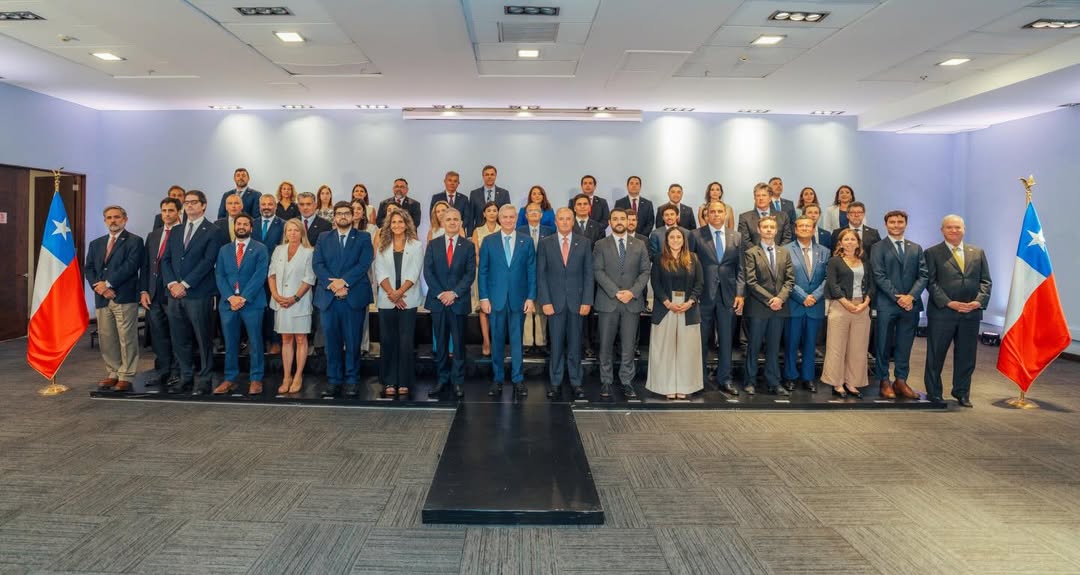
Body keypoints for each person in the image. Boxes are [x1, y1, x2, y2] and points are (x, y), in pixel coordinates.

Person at [161, 190, 228, 395]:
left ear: (204, 205)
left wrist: (186, 284)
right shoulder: (176, 230)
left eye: (193, 202)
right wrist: (172, 283)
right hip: (174, 295)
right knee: (179, 338)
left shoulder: (213, 230)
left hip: (199, 293)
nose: (189, 206)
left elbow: (208, 262)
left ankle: (205, 378)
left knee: (203, 338)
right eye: (187, 203)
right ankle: (185, 376)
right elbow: (166, 260)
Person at [923, 215, 992, 407]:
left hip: (970, 313)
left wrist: (979, 301)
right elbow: (931, 282)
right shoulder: (932, 253)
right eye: (950, 227)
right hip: (942, 313)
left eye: (958, 227)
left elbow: (986, 281)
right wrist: (948, 302)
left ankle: (962, 392)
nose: (954, 231)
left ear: (964, 229)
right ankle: (934, 392)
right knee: (936, 354)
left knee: (967, 355)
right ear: (942, 230)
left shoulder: (977, 252)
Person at [312, 201, 374, 398]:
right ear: (334, 217)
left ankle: (352, 380)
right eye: (339, 213)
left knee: (353, 342)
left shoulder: (363, 237)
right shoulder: (323, 237)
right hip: (329, 298)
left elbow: (364, 263)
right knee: (332, 343)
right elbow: (318, 263)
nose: (343, 216)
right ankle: (333, 380)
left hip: (353, 296)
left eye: (347, 213)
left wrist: (344, 282)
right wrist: (333, 285)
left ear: (353, 216)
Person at [479, 204, 537, 397]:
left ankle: (518, 379)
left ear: (516, 219)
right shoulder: (488, 241)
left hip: (519, 300)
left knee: (517, 341)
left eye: (512, 217)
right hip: (495, 300)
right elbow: (483, 271)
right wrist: (484, 297)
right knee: (496, 341)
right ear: (499, 219)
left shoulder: (526, 241)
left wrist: (531, 297)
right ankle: (497, 379)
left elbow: (531, 271)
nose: (508, 220)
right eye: (505, 217)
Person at [593, 208, 651, 399]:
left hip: (631, 303)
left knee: (628, 346)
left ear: (628, 222)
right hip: (608, 301)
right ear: (609, 222)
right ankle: (606, 381)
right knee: (606, 345)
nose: (619, 221)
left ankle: (627, 382)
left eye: (622, 219)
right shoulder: (601, 244)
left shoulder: (640, 244)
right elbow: (598, 271)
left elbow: (645, 272)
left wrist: (632, 292)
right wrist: (616, 292)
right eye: (615, 218)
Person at [537, 207, 594, 400]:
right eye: (561, 219)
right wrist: (545, 301)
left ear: (573, 222)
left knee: (576, 344)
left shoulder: (584, 243)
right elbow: (541, 275)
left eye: (568, 219)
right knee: (556, 345)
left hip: (578, 303)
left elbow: (589, 274)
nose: (564, 222)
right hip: (554, 303)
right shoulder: (545, 243)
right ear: (555, 222)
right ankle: (555, 382)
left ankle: (576, 382)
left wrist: (587, 300)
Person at [871, 210, 928, 400]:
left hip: (910, 306)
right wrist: (898, 298)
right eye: (892, 222)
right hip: (887, 303)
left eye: (900, 222)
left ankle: (901, 380)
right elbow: (879, 275)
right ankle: (884, 380)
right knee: (883, 344)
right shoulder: (878, 247)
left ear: (906, 224)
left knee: (905, 345)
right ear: (886, 224)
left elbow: (923, 275)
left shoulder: (916, 248)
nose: (896, 225)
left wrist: (910, 297)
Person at [86, 205, 144, 392]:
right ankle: (113, 372)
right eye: (109, 217)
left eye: (117, 217)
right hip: (102, 298)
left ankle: (126, 374)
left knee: (126, 338)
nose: (113, 220)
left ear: (125, 219)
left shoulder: (134, 241)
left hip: (124, 296)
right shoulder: (96, 243)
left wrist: (109, 284)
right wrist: (100, 288)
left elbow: (130, 266)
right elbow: (89, 269)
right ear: (105, 220)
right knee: (107, 337)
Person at [688, 200, 744, 395]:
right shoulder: (695, 235)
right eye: (712, 212)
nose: (717, 215)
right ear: (706, 215)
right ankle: (698, 380)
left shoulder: (736, 237)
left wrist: (740, 294)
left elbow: (741, 269)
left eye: (720, 211)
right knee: (700, 340)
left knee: (727, 340)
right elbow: (690, 267)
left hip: (728, 296)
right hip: (703, 295)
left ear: (726, 214)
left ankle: (725, 379)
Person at [213, 213, 270, 396]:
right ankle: (230, 379)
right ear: (234, 227)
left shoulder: (260, 248)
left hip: (252, 303)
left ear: (251, 228)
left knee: (255, 342)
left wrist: (243, 297)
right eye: (239, 223)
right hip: (228, 304)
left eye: (246, 223)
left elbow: (260, 275)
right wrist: (230, 297)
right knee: (230, 343)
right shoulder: (224, 250)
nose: (242, 226)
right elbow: (219, 276)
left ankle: (256, 379)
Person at [646, 227, 704, 399]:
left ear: (684, 240)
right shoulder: (658, 259)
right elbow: (655, 283)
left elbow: (700, 283)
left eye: (679, 237)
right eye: (672, 237)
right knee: (665, 350)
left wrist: (690, 301)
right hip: (666, 308)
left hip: (688, 308)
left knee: (687, 351)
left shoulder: (693, 258)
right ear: (667, 240)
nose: (676, 240)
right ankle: (666, 387)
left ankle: (685, 387)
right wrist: (668, 303)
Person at [424, 208, 476, 398]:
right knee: (441, 344)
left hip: (458, 301)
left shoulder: (468, 246)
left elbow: (470, 274)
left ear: (461, 222)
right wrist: (441, 294)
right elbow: (428, 272)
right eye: (449, 219)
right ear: (443, 222)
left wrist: (453, 293)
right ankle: (442, 378)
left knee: (459, 343)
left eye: (456, 219)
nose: (452, 222)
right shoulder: (433, 244)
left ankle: (457, 381)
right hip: (438, 302)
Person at [742, 216, 794, 395]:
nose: (769, 230)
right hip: (759, 307)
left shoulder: (784, 252)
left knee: (773, 348)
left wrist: (779, 299)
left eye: (772, 227)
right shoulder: (751, 253)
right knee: (754, 346)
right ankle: (750, 381)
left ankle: (774, 382)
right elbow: (751, 281)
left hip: (779, 308)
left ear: (776, 230)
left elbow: (790, 280)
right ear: (759, 230)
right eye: (765, 227)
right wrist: (770, 300)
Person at [374, 210, 422, 397]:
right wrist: (391, 294)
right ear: (389, 225)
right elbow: (379, 271)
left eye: (400, 222)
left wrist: (400, 293)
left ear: (407, 224)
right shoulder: (382, 246)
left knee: (405, 341)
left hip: (407, 299)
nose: (397, 225)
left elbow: (415, 271)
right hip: (387, 299)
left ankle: (404, 381)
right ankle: (389, 381)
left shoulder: (416, 245)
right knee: (387, 341)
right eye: (393, 222)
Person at [822, 229, 872, 398]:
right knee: (837, 346)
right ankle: (837, 383)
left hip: (862, 307)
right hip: (840, 305)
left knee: (858, 348)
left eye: (853, 239)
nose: (850, 242)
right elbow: (832, 284)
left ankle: (852, 382)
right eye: (846, 239)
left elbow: (872, 285)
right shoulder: (835, 261)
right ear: (840, 243)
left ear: (858, 243)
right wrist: (846, 303)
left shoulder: (865, 262)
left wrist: (865, 303)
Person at [782, 215, 830, 392]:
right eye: (800, 225)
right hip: (794, 304)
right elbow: (785, 278)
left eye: (808, 226)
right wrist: (803, 297)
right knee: (791, 344)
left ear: (813, 229)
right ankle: (790, 376)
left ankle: (808, 377)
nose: (804, 228)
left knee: (811, 344)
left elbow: (827, 278)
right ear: (795, 229)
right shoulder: (785, 250)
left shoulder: (825, 251)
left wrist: (815, 296)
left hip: (815, 306)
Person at [268, 218, 315, 395]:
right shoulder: (278, 250)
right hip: (281, 302)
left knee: (301, 339)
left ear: (301, 232)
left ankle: (298, 376)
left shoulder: (309, 252)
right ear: (285, 233)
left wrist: (294, 298)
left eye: (296, 230)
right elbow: (271, 274)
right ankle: (286, 376)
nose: (292, 233)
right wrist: (276, 295)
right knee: (286, 339)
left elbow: (309, 278)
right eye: (289, 230)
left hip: (299, 302)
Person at [141, 197, 182, 389]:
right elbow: (146, 265)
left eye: (171, 211)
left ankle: (177, 372)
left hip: (174, 294)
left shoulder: (183, 234)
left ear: (178, 212)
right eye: (164, 211)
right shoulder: (154, 235)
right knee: (159, 336)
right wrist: (144, 290)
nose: (167, 214)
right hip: (154, 293)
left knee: (177, 335)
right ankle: (163, 371)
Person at [518, 202, 555, 356]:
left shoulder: (549, 231)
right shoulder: (519, 231)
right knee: (527, 308)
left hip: (544, 274)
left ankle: (541, 342)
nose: (533, 213)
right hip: (523, 275)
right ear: (526, 216)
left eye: (536, 211)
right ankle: (527, 342)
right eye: (530, 211)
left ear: (541, 215)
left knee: (541, 309)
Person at [253, 194, 286, 354]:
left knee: (274, 309)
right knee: (257, 309)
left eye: (270, 204)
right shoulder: (252, 224)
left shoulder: (284, 225)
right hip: (254, 274)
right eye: (263, 204)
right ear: (259, 206)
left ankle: (275, 341)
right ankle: (259, 341)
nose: (266, 207)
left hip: (275, 274)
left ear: (275, 206)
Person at [472, 201, 500, 356]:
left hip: (500, 276)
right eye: (488, 210)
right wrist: (484, 268)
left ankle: (496, 340)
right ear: (484, 213)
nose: (491, 213)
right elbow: (476, 254)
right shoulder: (478, 230)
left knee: (497, 307)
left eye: (494, 210)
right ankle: (486, 341)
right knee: (484, 309)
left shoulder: (503, 229)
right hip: (482, 273)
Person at [739, 183, 792, 248]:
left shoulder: (783, 216)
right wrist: (760, 254)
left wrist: (777, 253)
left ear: (770, 198)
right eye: (758, 196)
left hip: (778, 255)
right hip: (754, 256)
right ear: (754, 198)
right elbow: (745, 241)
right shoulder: (745, 218)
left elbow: (787, 238)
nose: (760, 198)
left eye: (764, 195)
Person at [431, 171, 474, 235]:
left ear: (458, 183)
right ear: (445, 182)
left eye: (455, 181)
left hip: (459, 232)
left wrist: (457, 228)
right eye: (450, 180)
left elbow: (467, 218)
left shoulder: (464, 198)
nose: (452, 183)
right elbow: (432, 216)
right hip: (440, 232)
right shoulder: (436, 198)